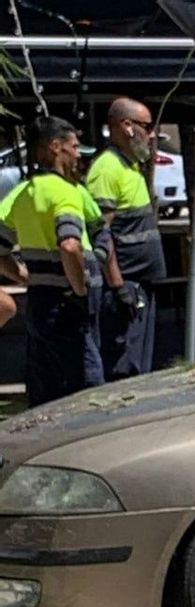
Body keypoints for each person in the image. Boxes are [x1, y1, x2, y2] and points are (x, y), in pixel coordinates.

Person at [0, 117, 103, 406]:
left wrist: (24, 277)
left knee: (45, 389)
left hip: (40, 303)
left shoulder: (21, 194)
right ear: (55, 147)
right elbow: (70, 246)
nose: (77, 154)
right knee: (86, 389)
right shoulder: (66, 192)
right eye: (73, 147)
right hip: (68, 303)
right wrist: (80, 290)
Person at [86, 97, 161, 381]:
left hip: (140, 283)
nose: (152, 135)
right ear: (127, 126)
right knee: (124, 368)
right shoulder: (107, 169)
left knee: (139, 366)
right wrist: (118, 286)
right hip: (124, 286)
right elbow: (101, 234)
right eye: (147, 126)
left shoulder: (130, 167)